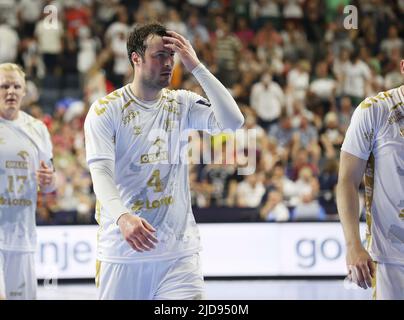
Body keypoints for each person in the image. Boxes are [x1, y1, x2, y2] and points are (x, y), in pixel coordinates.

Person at [84, 23, 244, 300]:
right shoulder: (106, 110)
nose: (169, 63)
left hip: (178, 257)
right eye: (160, 55)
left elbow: (233, 122)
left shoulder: (181, 103)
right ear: (136, 58)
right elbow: (100, 173)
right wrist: (122, 217)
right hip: (123, 253)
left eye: (172, 56)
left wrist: (197, 67)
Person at [337, 59, 404, 299]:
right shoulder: (375, 110)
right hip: (391, 259)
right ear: (403, 67)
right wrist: (353, 244)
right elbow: (346, 180)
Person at [0, 63, 56, 300]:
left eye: (16, 86)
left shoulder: (37, 129)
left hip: (21, 233)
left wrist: (49, 179)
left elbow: (50, 184)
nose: (10, 91)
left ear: (24, 92)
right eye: (4, 86)